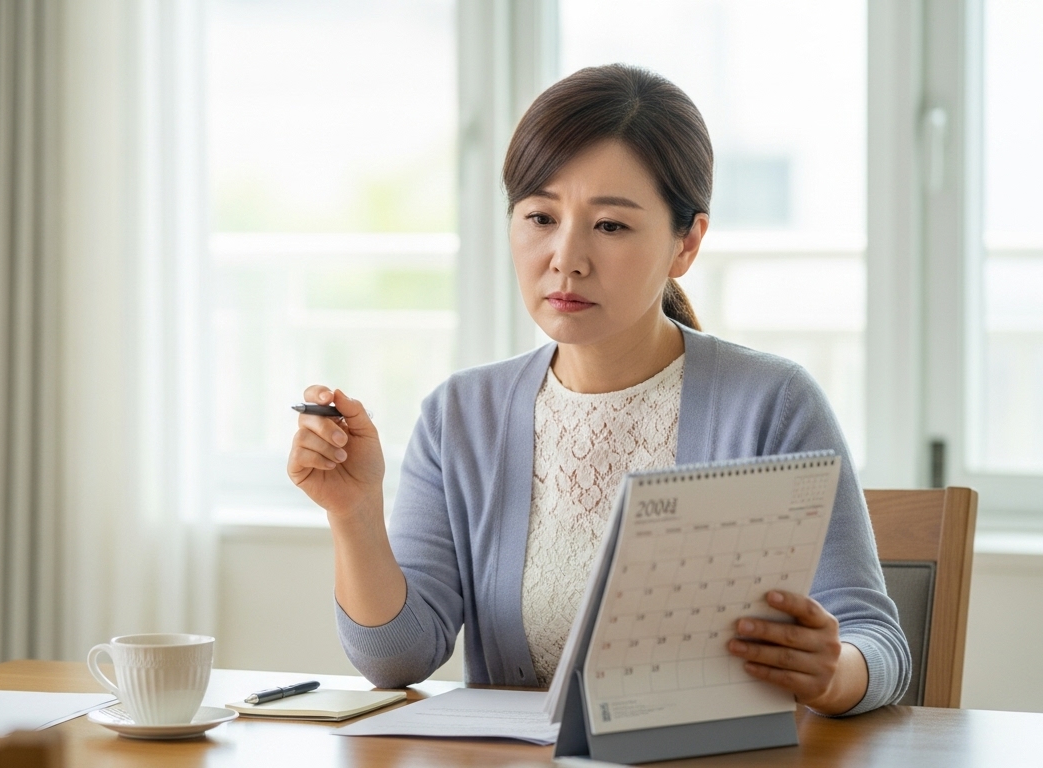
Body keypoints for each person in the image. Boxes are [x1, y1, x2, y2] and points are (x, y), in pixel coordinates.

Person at [286, 64, 909, 717]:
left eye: (609, 226)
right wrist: (354, 515)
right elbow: (398, 660)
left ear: (686, 243)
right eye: (540, 216)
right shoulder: (459, 416)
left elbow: (880, 644)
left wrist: (833, 672)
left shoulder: (771, 403)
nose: (566, 257)